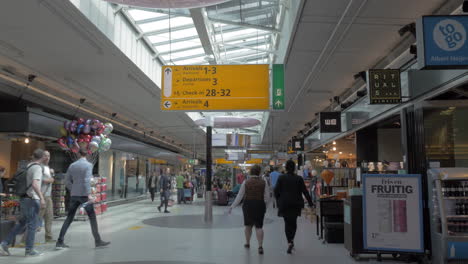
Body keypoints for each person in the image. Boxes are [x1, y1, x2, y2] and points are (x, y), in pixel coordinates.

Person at [56, 149, 110, 249]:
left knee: (69, 218)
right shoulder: (88, 165)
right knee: (92, 217)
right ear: (87, 154)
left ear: (78, 154)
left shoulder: (72, 165)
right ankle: (97, 241)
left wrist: (73, 189)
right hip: (85, 196)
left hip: (74, 196)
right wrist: (89, 194)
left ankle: (60, 241)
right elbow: (86, 180)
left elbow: (67, 180)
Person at [0, 149, 47, 257]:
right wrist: (41, 198)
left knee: (22, 223)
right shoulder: (37, 168)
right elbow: (35, 184)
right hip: (31, 199)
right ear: (43, 157)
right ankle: (29, 250)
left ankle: (4, 243)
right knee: (32, 224)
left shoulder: (28, 166)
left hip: (24, 198)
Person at [274, 160, 313, 254]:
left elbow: (276, 191)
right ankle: (291, 240)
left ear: (286, 168)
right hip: (296, 203)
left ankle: (289, 242)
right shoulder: (299, 178)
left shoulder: (281, 177)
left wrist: (279, 201)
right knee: (294, 222)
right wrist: (311, 203)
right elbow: (305, 191)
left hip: (284, 203)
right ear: (294, 168)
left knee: (287, 223)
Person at [229, 165, 269, 255]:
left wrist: (232, 206)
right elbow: (267, 197)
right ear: (259, 172)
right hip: (259, 204)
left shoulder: (246, 182)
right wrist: (265, 206)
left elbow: (240, 195)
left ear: (251, 172)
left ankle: (247, 243)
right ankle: (260, 246)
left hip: (248, 205)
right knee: (259, 226)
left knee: (248, 225)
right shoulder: (264, 182)